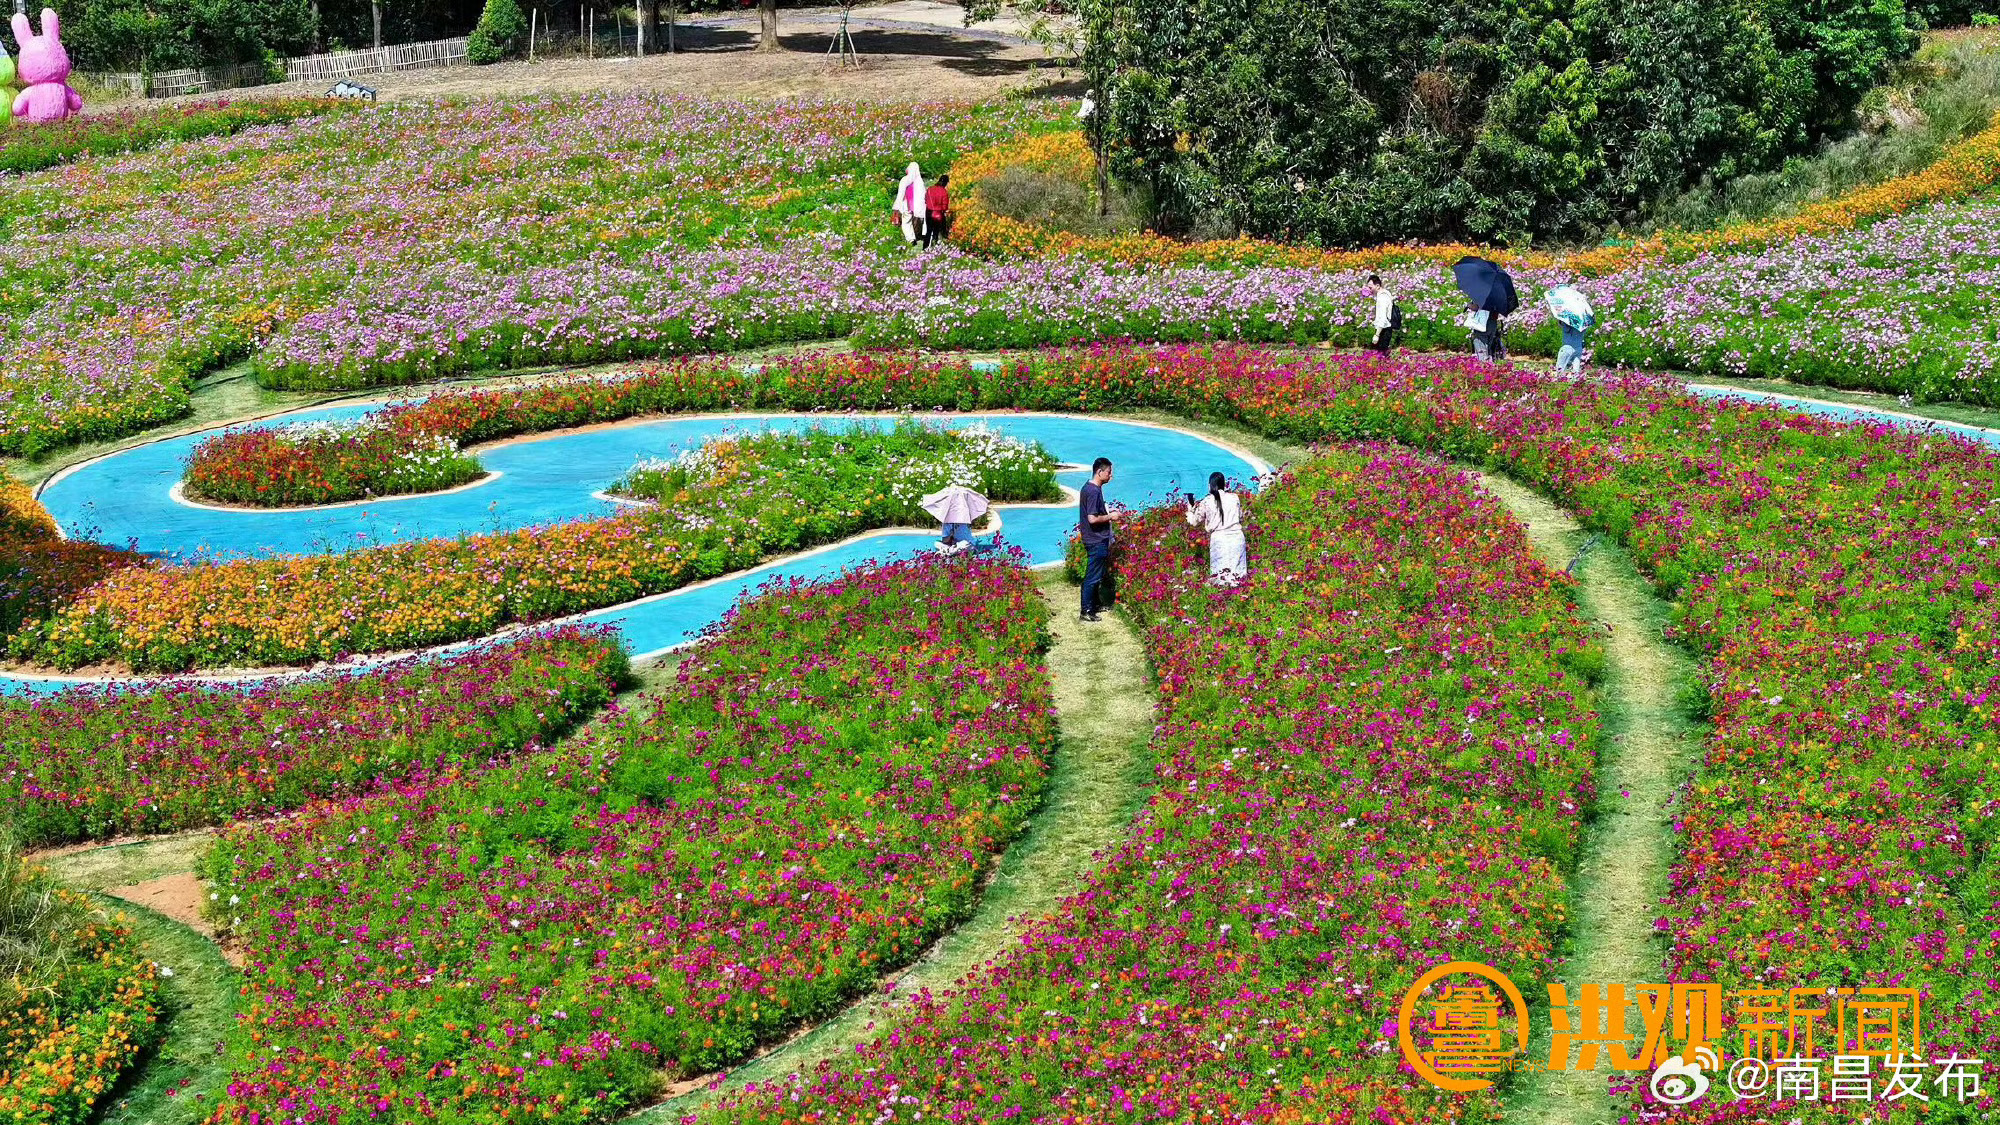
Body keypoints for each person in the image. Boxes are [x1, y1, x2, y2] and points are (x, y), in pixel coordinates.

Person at [1184, 471, 1247, 585]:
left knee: (1220, 578)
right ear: (1224, 484)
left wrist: (1190, 511)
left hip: (1220, 540)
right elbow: (1240, 517)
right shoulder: (1234, 498)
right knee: (1239, 577)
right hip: (1237, 537)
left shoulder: (1207, 501)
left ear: (1210, 485)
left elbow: (1194, 522)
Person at [1077, 456, 1121, 622]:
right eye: (1109, 473)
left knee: (1097, 573)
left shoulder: (1090, 488)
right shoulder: (1093, 491)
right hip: (1096, 539)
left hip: (1094, 538)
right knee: (1093, 575)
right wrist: (1111, 516)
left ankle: (1094, 604)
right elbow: (1092, 519)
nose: (1111, 476)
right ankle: (1086, 610)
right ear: (1099, 472)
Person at [892, 162, 926, 246]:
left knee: (906, 222)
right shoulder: (920, 181)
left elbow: (900, 194)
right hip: (918, 207)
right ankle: (920, 236)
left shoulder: (905, 180)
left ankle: (911, 239)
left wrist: (896, 206)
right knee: (916, 222)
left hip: (907, 205)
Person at [922, 174, 952, 249]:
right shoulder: (944, 192)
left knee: (928, 231)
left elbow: (926, 200)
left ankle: (924, 248)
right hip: (938, 213)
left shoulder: (930, 189)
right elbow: (945, 206)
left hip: (928, 211)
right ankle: (934, 247)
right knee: (936, 231)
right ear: (945, 183)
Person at [1369, 274, 1396, 354]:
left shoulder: (1382, 297)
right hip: (1385, 329)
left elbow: (1383, 318)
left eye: (1370, 287)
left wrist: (1377, 335)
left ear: (1377, 286)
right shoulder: (1386, 294)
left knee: (1381, 355)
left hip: (1384, 330)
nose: (1369, 290)